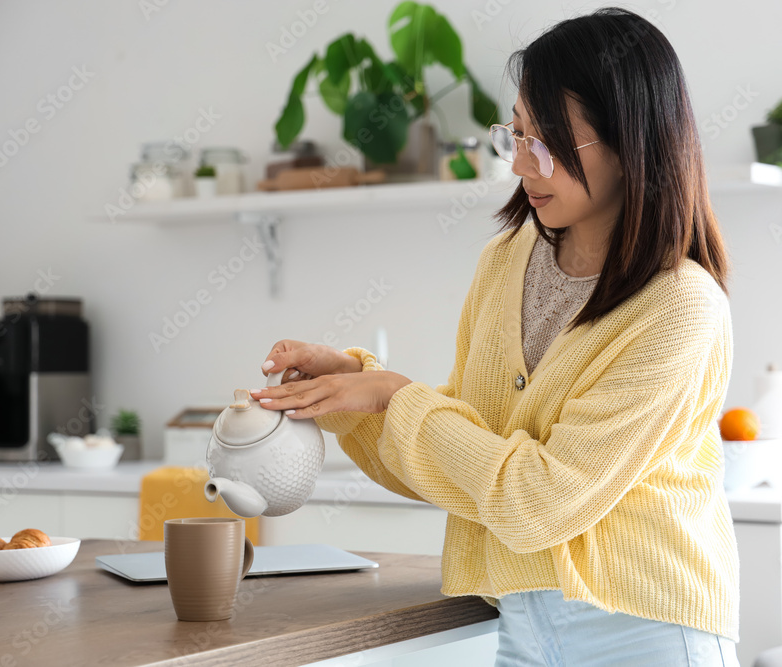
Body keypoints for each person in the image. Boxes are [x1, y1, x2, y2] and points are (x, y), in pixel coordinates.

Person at [250, 6, 740, 665]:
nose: (521, 163)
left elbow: (538, 501)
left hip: (644, 631)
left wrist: (394, 398)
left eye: (548, 143)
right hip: (515, 626)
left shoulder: (680, 306)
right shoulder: (505, 261)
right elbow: (467, 466)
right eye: (514, 135)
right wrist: (353, 391)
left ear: (631, 144)